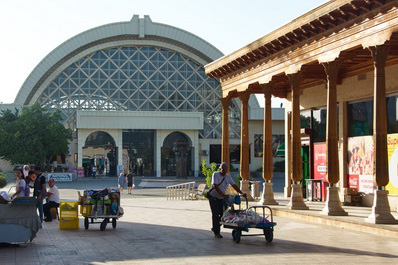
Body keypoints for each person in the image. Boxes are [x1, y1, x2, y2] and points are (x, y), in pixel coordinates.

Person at [208, 162, 246, 239]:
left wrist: (242, 193)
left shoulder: (228, 177)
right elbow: (215, 186)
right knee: (215, 214)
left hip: (222, 197)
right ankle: (217, 232)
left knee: (224, 214)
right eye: (223, 170)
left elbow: (234, 185)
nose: (224, 172)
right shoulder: (215, 174)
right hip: (213, 197)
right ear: (220, 169)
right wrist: (223, 195)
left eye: (225, 170)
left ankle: (215, 226)